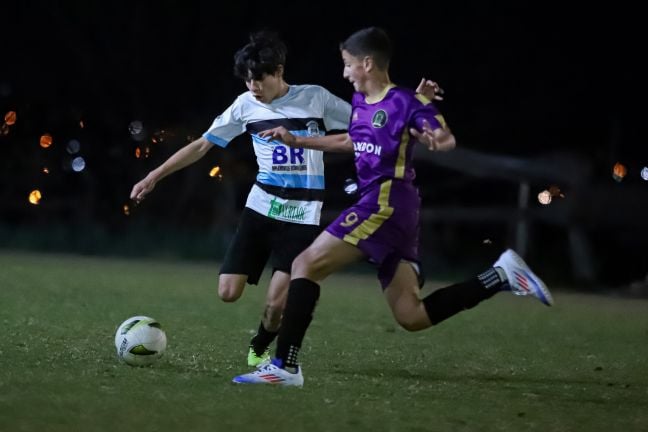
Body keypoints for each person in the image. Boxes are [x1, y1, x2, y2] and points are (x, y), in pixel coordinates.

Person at [232, 27, 553, 387]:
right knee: (411, 315)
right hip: (396, 210)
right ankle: (502, 275)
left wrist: (440, 137)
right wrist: (297, 140)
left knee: (305, 264)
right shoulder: (362, 103)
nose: (344, 73)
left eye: (348, 65)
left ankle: (285, 366)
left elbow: (437, 130)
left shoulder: (407, 102)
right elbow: (350, 140)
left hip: (384, 201)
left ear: (367, 63)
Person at [130, 29, 444, 367]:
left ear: (278, 71)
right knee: (227, 292)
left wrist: (413, 103)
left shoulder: (315, 98)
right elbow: (202, 145)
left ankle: (262, 342)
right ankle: (266, 335)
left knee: (275, 306)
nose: (253, 87)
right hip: (260, 208)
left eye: (259, 80)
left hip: (302, 215)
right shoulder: (244, 106)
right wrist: (153, 175)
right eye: (247, 80)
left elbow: (373, 120)